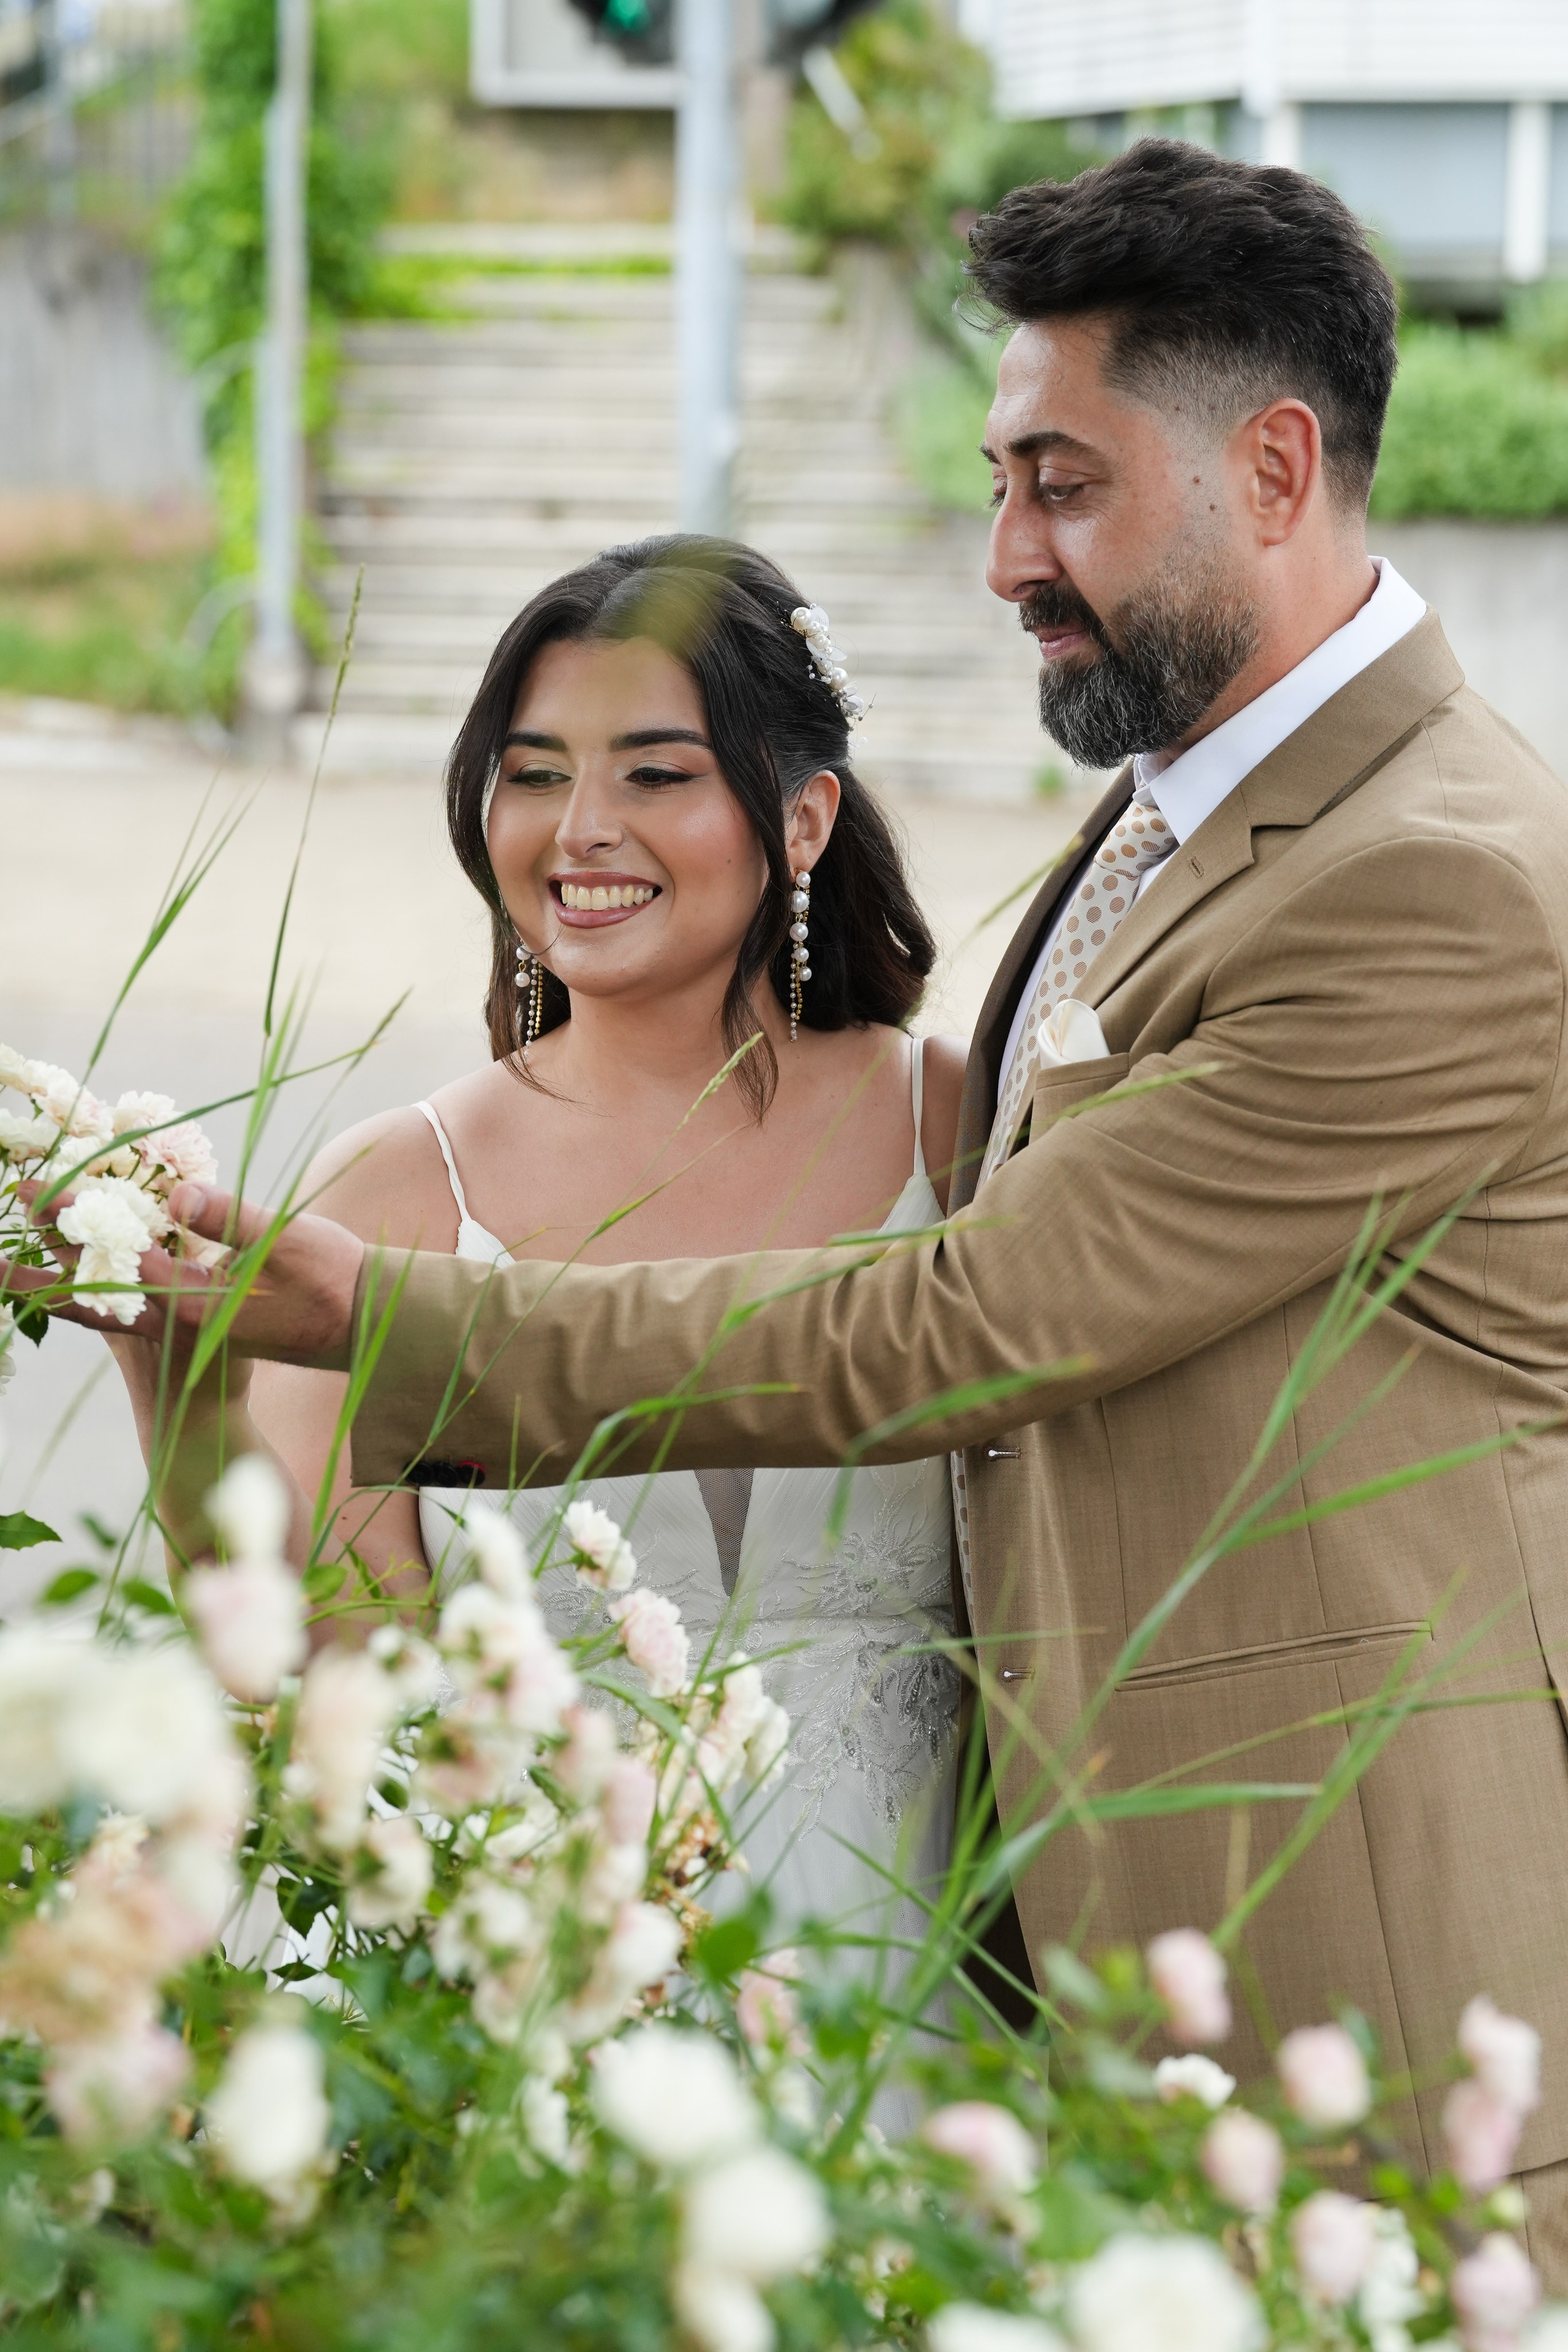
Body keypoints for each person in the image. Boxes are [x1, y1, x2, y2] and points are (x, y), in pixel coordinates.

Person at [27, 140, 1568, 2277]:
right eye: (999, 482)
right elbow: (311, 1657)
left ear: (1276, 468)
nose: (1007, 555)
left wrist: (367, 1306)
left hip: (1329, 1970)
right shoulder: (1171, 829)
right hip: (871, 2025)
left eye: (1064, 482)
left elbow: (951, 1332)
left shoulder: (1429, 876)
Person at [108, 538, 971, 1994]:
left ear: (803, 815)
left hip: (951, 2004)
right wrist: (180, 1394)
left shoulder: (957, 1129)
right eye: (532, 773)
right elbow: (331, 1682)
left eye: (654, 774)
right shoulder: (396, 1194)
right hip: (556, 2036)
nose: (580, 830)